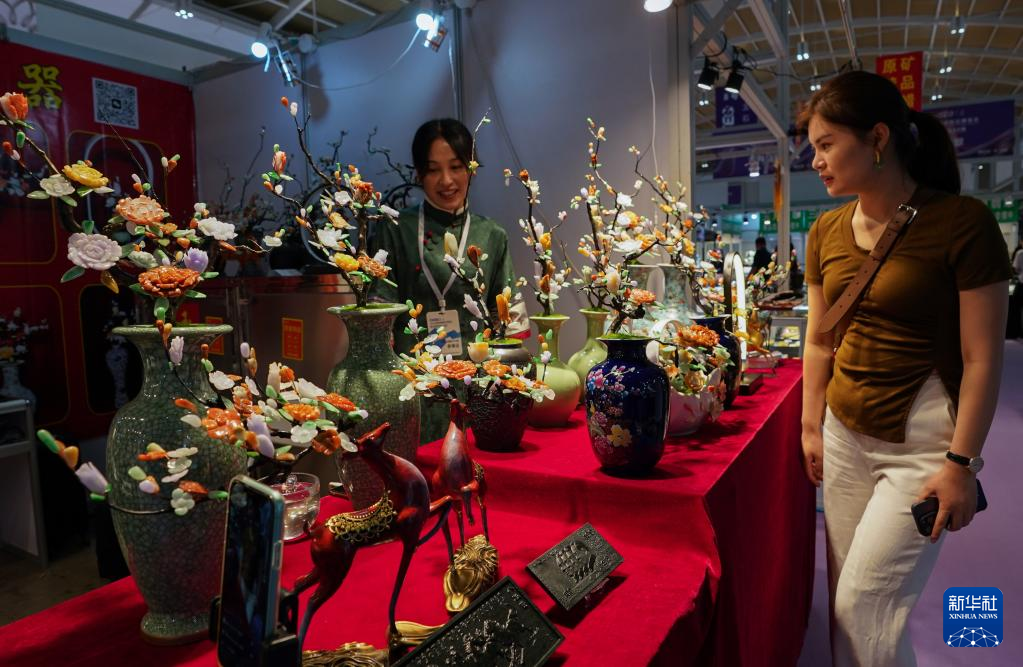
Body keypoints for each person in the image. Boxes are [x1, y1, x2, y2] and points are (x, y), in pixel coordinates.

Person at [799, 71, 1011, 667]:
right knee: (852, 602)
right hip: (843, 437)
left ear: (878, 138)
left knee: (864, 606)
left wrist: (961, 464)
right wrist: (811, 425)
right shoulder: (825, 230)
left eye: (826, 144)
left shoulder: (962, 222)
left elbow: (983, 357)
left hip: (922, 446)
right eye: (813, 147)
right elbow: (819, 341)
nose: (815, 161)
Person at [371, 118, 526, 442]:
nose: (446, 180)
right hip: (412, 385)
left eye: (456, 167)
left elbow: (509, 324)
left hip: (479, 388)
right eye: (433, 170)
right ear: (419, 174)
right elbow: (377, 318)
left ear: (471, 168)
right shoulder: (396, 229)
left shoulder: (491, 234)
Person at [1008, 238, 1023, 338]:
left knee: (1016, 309)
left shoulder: (1020, 253)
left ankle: (1018, 332)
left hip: (1022, 284)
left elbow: (1016, 269)